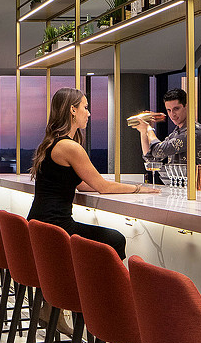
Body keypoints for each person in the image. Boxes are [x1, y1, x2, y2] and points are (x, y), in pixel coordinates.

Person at [27, 87, 158, 260]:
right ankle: (103, 287)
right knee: (115, 240)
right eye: (85, 107)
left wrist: (108, 185)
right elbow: (103, 187)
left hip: (39, 225)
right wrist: (139, 188)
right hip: (56, 228)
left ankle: (91, 285)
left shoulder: (51, 143)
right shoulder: (69, 147)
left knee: (111, 239)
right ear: (73, 110)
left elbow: (80, 185)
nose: (88, 114)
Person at [133, 87, 201, 168]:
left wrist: (149, 129)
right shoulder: (176, 133)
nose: (172, 114)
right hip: (174, 180)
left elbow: (159, 151)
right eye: (169, 110)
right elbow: (152, 159)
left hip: (192, 180)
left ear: (186, 107)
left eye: (176, 109)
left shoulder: (195, 132)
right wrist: (143, 132)